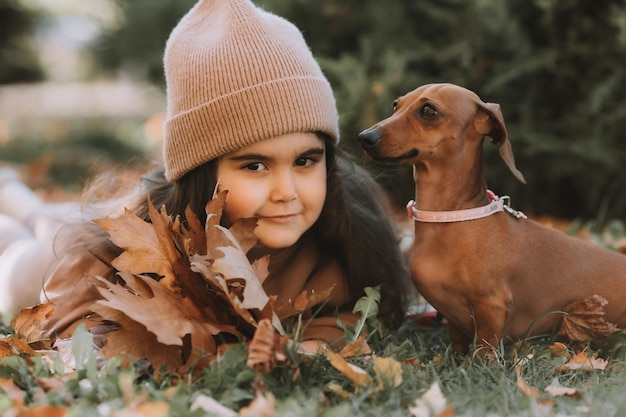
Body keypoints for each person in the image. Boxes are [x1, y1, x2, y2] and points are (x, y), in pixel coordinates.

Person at [38, 0, 412, 355]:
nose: (287, 192)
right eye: (254, 166)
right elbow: (69, 335)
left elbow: (344, 322)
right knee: (23, 250)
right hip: (52, 253)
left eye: (305, 161)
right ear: (202, 173)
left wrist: (300, 349)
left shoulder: (348, 238)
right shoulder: (114, 250)